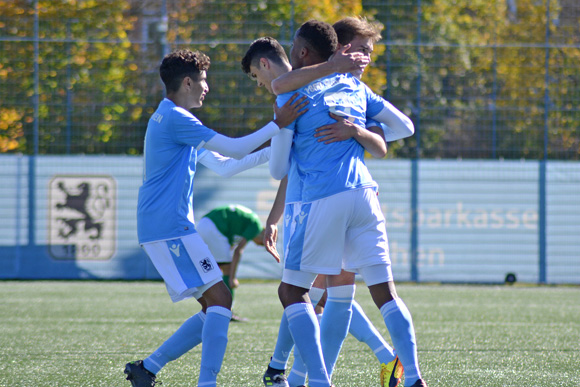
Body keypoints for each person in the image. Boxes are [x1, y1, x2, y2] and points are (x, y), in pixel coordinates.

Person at [253, 20, 427, 387]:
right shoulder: (355, 89)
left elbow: (280, 166)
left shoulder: (294, 91)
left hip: (318, 200)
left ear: (303, 51)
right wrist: (362, 132)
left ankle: (303, 377)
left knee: (295, 292)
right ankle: (412, 377)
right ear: (341, 48)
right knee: (366, 293)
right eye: (361, 49)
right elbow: (401, 131)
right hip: (363, 195)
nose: (364, 57)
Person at [124, 48, 307, 387]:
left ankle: (147, 368)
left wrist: (276, 150)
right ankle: (204, 383)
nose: (207, 87)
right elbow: (235, 149)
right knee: (221, 299)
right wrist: (277, 125)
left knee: (214, 306)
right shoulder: (178, 119)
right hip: (169, 228)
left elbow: (225, 166)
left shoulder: (172, 119)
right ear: (188, 82)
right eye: (204, 81)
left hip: (166, 227)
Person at [196, 203, 266, 322]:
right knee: (227, 270)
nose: (260, 245)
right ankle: (226, 311)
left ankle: (213, 308)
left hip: (204, 224)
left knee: (214, 269)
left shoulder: (246, 223)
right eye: (263, 243)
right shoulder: (256, 226)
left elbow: (232, 243)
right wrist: (233, 278)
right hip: (215, 228)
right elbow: (239, 251)